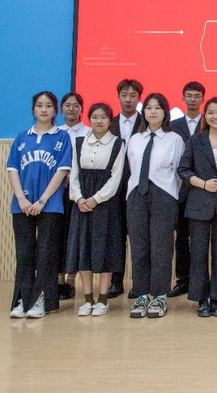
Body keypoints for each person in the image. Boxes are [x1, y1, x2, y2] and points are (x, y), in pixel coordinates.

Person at [7, 91, 72, 319]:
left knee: (46, 253)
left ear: (55, 110)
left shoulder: (62, 137)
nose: (44, 109)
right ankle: (23, 299)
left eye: (48, 105)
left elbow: (62, 170)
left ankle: (40, 299)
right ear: (33, 109)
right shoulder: (22, 137)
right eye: (39, 105)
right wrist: (22, 199)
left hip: (50, 205)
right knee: (24, 254)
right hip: (22, 205)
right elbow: (12, 169)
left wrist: (43, 200)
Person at [178, 97, 217, 318]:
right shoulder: (196, 140)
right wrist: (203, 184)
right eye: (211, 112)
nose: (215, 116)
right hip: (199, 205)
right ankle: (201, 299)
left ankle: (216, 298)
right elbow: (183, 170)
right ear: (205, 116)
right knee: (198, 254)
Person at [126, 93, 185, 318]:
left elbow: (179, 173)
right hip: (136, 195)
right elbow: (132, 168)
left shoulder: (174, 139)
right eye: (149, 108)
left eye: (157, 108)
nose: (152, 111)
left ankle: (159, 296)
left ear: (165, 112)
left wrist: (169, 194)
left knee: (161, 248)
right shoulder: (135, 139)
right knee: (139, 247)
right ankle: (141, 294)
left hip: (164, 195)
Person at [66, 102, 126, 316]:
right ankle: (87, 298)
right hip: (81, 204)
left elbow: (116, 177)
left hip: (105, 204)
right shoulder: (79, 142)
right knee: (84, 249)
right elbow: (73, 173)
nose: (99, 121)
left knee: (105, 248)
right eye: (95, 117)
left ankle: (103, 298)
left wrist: (96, 199)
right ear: (88, 119)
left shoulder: (118, 143)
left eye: (103, 117)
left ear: (110, 121)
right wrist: (79, 198)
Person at [168, 81, 206, 298]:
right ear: (183, 98)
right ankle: (182, 279)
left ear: (202, 99)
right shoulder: (172, 125)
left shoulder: (210, 122)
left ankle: (202, 280)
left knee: (202, 239)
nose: (192, 99)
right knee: (181, 237)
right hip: (181, 189)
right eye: (189, 96)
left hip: (205, 189)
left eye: (196, 96)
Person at [108, 78, 144, 299]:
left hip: (139, 188)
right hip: (113, 190)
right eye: (124, 95)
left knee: (139, 237)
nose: (128, 99)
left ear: (139, 98)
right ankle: (115, 281)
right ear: (118, 96)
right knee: (116, 236)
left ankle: (140, 283)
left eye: (133, 95)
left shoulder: (147, 122)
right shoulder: (108, 123)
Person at [57, 92, 91, 301]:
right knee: (58, 234)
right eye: (67, 105)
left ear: (81, 109)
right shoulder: (55, 132)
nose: (71, 108)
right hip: (56, 192)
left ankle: (70, 280)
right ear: (61, 109)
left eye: (76, 105)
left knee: (74, 235)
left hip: (78, 192)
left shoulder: (88, 132)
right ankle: (58, 279)